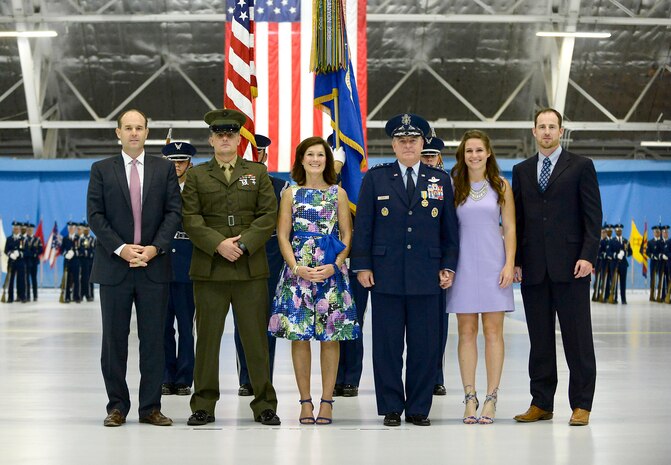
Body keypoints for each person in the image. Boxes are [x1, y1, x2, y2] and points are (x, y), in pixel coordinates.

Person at [351, 113, 459, 427]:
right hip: (385, 274)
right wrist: (362, 265)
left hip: (428, 275)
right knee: (387, 345)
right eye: (402, 140)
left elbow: (449, 230)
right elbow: (365, 228)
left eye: (413, 140)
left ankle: (418, 407)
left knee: (425, 346)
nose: (408, 145)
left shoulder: (440, 180)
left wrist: (449, 266)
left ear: (424, 143)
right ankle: (391, 406)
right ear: (394, 145)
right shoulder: (377, 178)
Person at [181, 109, 281, 426]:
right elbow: (191, 219)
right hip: (210, 269)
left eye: (230, 134)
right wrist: (218, 244)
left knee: (255, 340)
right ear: (211, 139)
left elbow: (269, 215)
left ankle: (264, 402)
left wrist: (244, 243)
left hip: (249, 268)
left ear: (239, 139)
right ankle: (203, 405)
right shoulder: (196, 176)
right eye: (219, 134)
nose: (225, 139)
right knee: (207, 340)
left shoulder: (258, 173)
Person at [87, 108, 182, 427]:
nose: (133, 133)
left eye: (139, 127)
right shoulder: (101, 169)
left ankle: (150, 407)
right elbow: (95, 216)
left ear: (147, 132)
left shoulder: (163, 169)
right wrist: (123, 249)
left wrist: (154, 248)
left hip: (154, 267)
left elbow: (173, 212)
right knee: (114, 341)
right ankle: (116, 406)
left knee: (154, 340)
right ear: (118, 132)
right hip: (114, 267)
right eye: (127, 128)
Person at [512, 107, 602, 427]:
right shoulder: (521, 171)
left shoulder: (581, 167)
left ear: (560, 131)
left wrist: (587, 256)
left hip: (572, 268)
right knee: (539, 340)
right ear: (534, 132)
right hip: (534, 270)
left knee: (577, 339)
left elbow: (593, 218)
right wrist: (517, 261)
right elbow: (518, 221)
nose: (547, 132)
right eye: (542, 126)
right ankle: (541, 402)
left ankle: (581, 404)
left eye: (552, 126)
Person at [269, 136, 360, 425]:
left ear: (327, 161)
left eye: (320, 154)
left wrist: (335, 265)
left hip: (330, 274)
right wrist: (295, 268)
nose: (315, 159)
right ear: (301, 159)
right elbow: (283, 235)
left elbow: (347, 235)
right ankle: (305, 401)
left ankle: (327, 401)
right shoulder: (290, 194)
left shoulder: (338, 194)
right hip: (299, 275)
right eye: (310, 154)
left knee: (331, 337)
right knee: (299, 337)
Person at [445, 130, 515, 424]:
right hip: (462, 266)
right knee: (467, 332)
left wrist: (509, 263)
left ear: (488, 153)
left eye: (478, 150)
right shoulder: (453, 186)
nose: (473, 155)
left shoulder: (501, 185)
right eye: (468, 151)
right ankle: (470, 397)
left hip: (493, 264)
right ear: (462, 155)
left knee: (494, 332)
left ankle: (492, 398)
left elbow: (510, 228)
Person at [233, 134, 289, 397]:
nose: (252, 158)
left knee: (267, 321)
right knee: (242, 321)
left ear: (265, 156)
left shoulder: (281, 187)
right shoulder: (231, 185)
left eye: (257, 153)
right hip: (239, 255)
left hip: (270, 257)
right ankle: (246, 378)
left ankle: (263, 376)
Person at [160, 141, 197, 397]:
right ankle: (164, 376)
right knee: (162, 328)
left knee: (186, 327)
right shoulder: (156, 190)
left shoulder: (195, 192)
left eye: (181, 162)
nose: (177, 167)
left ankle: (184, 377)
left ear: (189, 164)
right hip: (160, 267)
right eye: (172, 162)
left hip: (186, 268)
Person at [420, 132, 450, 397]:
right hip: (416, 260)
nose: (428, 160)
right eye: (424, 155)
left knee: (439, 322)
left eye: (431, 155)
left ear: (439, 157)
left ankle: (436, 375)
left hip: (440, 262)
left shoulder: (448, 182)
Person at [4, 221, 27, 303]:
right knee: (11, 279)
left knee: (21, 280)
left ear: (19, 229)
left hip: (20, 262)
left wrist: (20, 253)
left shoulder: (23, 239)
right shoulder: (9, 239)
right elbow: (6, 250)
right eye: (14, 228)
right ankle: (10, 297)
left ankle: (22, 296)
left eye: (17, 228)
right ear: (13, 229)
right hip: (11, 262)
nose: (16, 230)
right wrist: (10, 254)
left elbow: (26, 251)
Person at [610, 224, 632, 304]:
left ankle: (623, 299)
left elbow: (630, 252)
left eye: (620, 230)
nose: (619, 231)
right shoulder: (611, 241)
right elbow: (609, 252)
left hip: (623, 264)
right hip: (614, 264)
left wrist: (625, 253)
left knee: (623, 282)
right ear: (615, 231)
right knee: (614, 281)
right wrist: (616, 255)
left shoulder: (626, 241)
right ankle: (614, 298)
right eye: (617, 230)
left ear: (621, 231)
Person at [60, 221, 80, 303]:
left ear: (75, 229)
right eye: (70, 228)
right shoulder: (65, 238)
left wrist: (75, 253)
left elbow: (81, 249)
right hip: (67, 261)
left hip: (75, 261)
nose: (71, 229)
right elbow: (61, 250)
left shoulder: (78, 238)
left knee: (76, 279)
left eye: (72, 228)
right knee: (67, 279)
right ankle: (67, 297)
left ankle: (76, 297)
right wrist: (66, 254)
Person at [24, 222, 43, 302]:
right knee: (27, 279)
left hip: (34, 262)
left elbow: (40, 250)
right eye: (28, 229)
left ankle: (35, 296)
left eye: (31, 229)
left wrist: (35, 253)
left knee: (34, 279)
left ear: (33, 230)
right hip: (27, 262)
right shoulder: (24, 239)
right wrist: (32, 253)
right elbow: (24, 250)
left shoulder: (37, 239)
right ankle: (27, 295)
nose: (30, 231)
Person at [78, 222, 96, 302]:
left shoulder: (92, 239)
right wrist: (84, 252)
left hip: (90, 261)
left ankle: (90, 295)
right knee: (83, 278)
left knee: (90, 278)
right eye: (85, 230)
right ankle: (82, 294)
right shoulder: (81, 239)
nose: (86, 231)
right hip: (83, 261)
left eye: (87, 230)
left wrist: (90, 253)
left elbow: (94, 249)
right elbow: (80, 249)